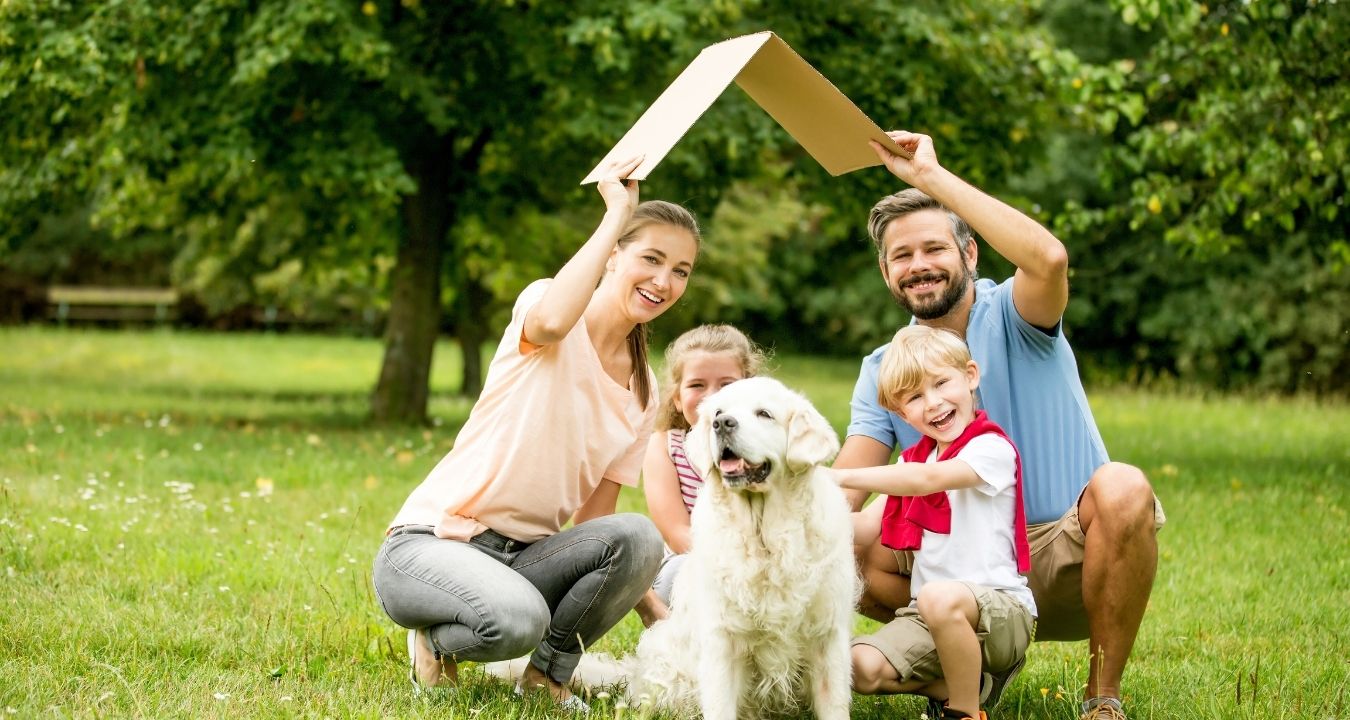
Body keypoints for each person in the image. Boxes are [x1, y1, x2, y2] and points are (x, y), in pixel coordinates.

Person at [837, 130, 1165, 720]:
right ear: (886, 272)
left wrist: (928, 178)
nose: (918, 266)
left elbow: (1051, 258)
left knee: (1124, 486)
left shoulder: (1017, 314)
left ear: (969, 254)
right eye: (901, 257)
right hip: (956, 569)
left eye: (934, 248)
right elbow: (845, 485)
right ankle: (959, 677)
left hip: (1064, 555)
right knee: (839, 541)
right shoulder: (884, 369)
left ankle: (1102, 698)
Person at [371, 156, 699, 712]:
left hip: (524, 560)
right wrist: (616, 213)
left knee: (640, 536)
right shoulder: (548, 311)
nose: (664, 282)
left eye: (682, 270)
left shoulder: (643, 389)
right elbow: (550, 322)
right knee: (517, 622)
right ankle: (433, 636)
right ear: (614, 254)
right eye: (651, 258)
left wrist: (655, 616)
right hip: (431, 546)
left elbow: (596, 522)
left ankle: (547, 679)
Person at [836, 324, 1035, 720]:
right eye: (914, 397)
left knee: (938, 596)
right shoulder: (914, 462)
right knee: (853, 665)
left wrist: (838, 476)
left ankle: (962, 712)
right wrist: (793, 520)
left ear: (970, 376)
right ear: (900, 412)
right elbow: (862, 528)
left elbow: (928, 481)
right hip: (930, 617)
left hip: (1001, 614)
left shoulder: (990, 448)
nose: (932, 403)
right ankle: (972, 684)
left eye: (941, 383)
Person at [640, 324, 766, 617]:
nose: (712, 397)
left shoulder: (765, 450)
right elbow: (676, 532)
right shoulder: (664, 447)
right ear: (677, 397)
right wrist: (736, 566)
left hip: (763, 564)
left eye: (727, 385)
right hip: (692, 562)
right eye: (697, 385)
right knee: (683, 576)